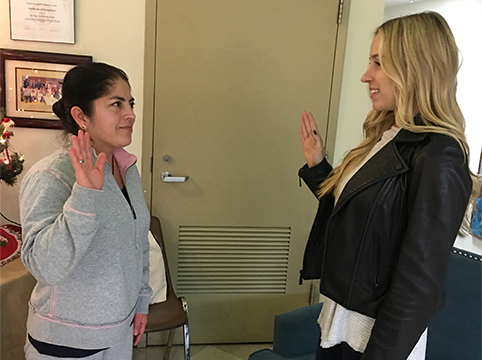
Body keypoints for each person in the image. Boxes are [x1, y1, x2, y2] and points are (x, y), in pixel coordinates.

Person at [298, 12, 478, 360]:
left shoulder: (438, 155)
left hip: (373, 342)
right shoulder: (388, 135)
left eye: (379, 63)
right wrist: (319, 168)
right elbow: (362, 218)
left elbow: (419, 286)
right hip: (340, 323)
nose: (367, 76)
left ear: (415, 67)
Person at [20, 62, 152, 360]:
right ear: (81, 116)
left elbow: (137, 242)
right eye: (116, 104)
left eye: (130, 103)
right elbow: (45, 267)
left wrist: (141, 301)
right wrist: (85, 195)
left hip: (118, 332)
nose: (130, 113)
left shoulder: (126, 167)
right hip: (67, 342)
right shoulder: (51, 175)